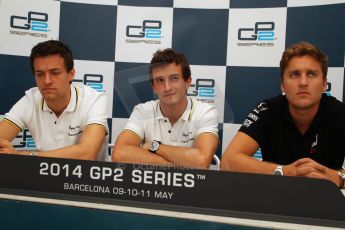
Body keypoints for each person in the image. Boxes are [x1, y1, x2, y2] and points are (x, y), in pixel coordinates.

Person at [221, 41, 345, 188]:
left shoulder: (339, 113)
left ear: (324, 84)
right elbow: (228, 161)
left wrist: (338, 179)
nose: (303, 82)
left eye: (311, 74)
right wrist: (284, 171)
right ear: (282, 85)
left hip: (329, 202)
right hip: (275, 198)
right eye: (294, 75)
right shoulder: (267, 109)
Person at [0, 40, 108, 161]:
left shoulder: (93, 100)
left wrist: (24, 156)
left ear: (71, 74)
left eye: (55, 73)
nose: (47, 81)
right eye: (40, 74)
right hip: (43, 176)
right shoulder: (31, 99)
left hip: (87, 178)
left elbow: (87, 153)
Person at [112, 48, 219, 169]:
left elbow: (201, 161)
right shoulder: (142, 111)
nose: (167, 87)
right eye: (160, 80)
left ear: (188, 81)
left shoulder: (205, 112)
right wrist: (173, 166)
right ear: (153, 86)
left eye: (174, 78)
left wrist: (155, 146)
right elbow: (119, 154)